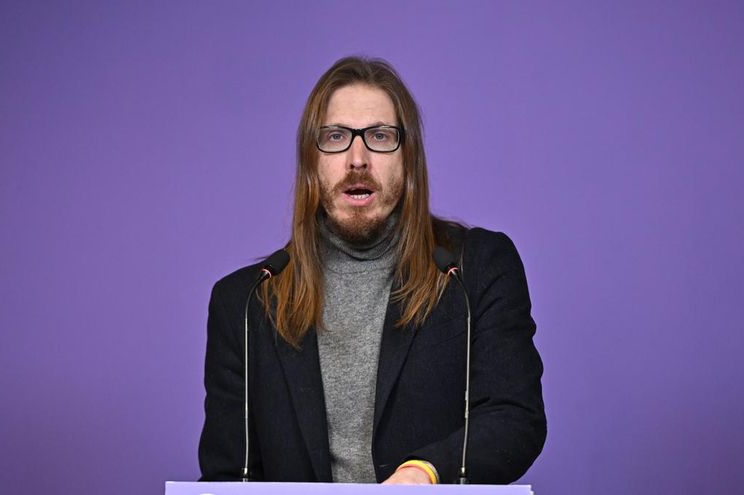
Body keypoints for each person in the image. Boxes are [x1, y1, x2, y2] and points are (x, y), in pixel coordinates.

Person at [198, 56, 546, 484]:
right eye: (336, 137)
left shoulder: (475, 270)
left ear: (408, 158)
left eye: (380, 136)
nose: (357, 158)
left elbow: (515, 416)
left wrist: (424, 474)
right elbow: (229, 478)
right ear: (312, 160)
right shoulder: (245, 304)